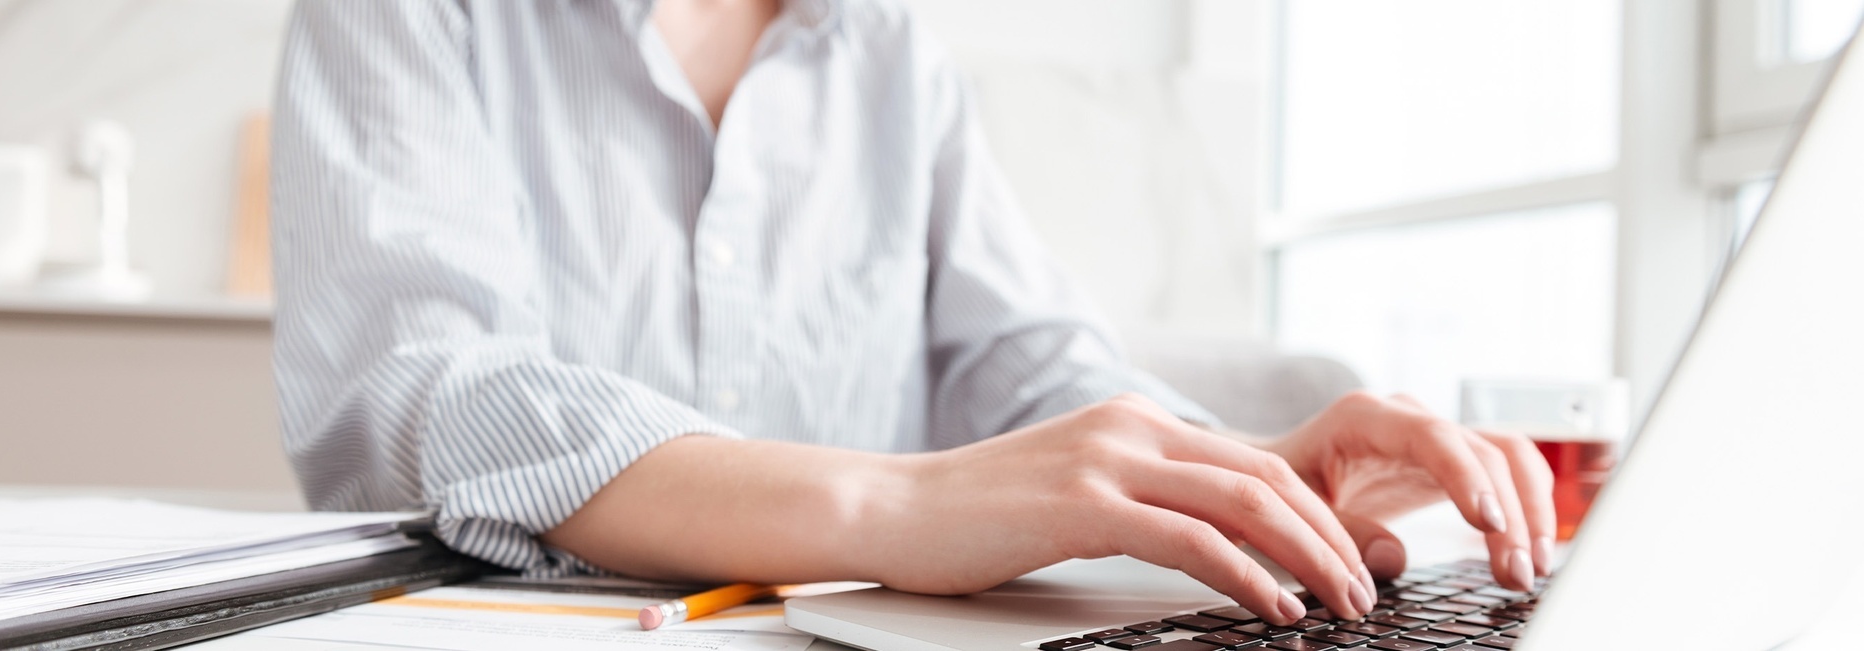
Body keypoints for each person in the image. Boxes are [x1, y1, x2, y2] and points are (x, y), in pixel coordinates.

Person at [271, 0, 1555, 627]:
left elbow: (1028, 360)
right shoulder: (410, 13)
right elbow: (426, 390)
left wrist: (1230, 476)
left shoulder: (891, 59)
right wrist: (894, 506)